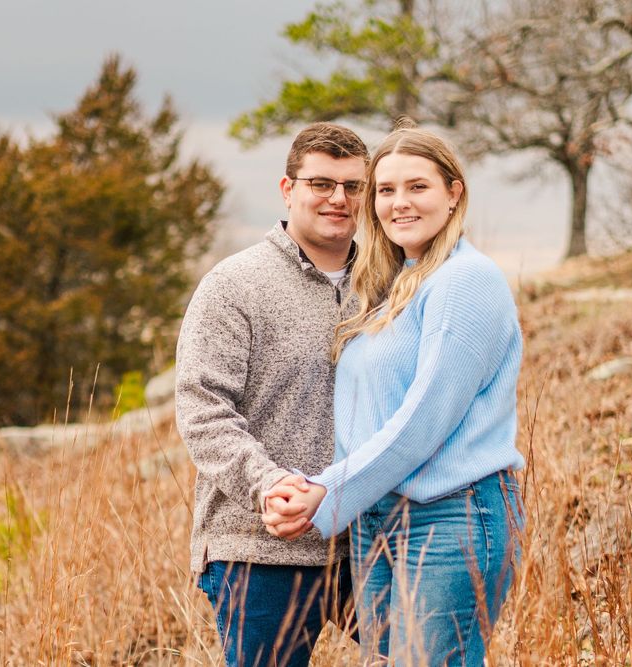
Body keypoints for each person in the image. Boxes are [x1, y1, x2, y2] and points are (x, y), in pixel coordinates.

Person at [262, 123, 525, 667]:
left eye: (418, 187)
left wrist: (325, 492)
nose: (398, 203)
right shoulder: (397, 288)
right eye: (385, 190)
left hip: (451, 516)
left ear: (454, 193)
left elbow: (422, 421)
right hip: (379, 520)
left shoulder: (466, 280)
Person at [174, 122, 368, 666]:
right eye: (321, 183)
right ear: (288, 190)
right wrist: (269, 486)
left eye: (354, 186)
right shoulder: (234, 285)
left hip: (366, 541)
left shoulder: (386, 285)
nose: (338, 198)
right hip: (258, 548)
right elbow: (203, 409)